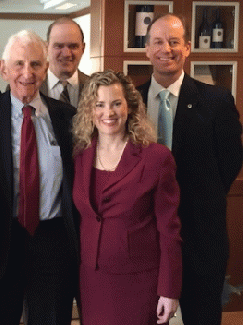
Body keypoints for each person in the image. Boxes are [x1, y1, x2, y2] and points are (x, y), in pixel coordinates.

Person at [137, 13, 243, 325]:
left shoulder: (216, 100)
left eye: (173, 42)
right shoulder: (132, 102)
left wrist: (200, 197)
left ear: (187, 48)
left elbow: (231, 160)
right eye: (157, 41)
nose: (165, 49)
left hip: (200, 237)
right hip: (145, 237)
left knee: (202, 317)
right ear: (147, 49)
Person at [0, 30, 79, 325]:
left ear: (46, 68)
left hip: (53, 241)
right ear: (4, 69)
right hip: (3, 239)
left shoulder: (67, 117)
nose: (27, 73)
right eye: (19, 64)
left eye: (35, 64)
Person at [72, 70, 182, 324]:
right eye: (99, 104)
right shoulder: (80, 155)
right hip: (92, 280)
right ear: (90, 109)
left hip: (139, 283)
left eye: (116, 103)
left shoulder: (156, 158)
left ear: (129, 107)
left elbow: (169, 230)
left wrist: (168, 289)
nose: (108, 113)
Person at [40, 17, 89, 108]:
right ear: (46, 48)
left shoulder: (96, 88)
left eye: (73, 46)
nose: (66, 54)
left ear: (83, 49)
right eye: (59, 46)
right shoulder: (29, 86)